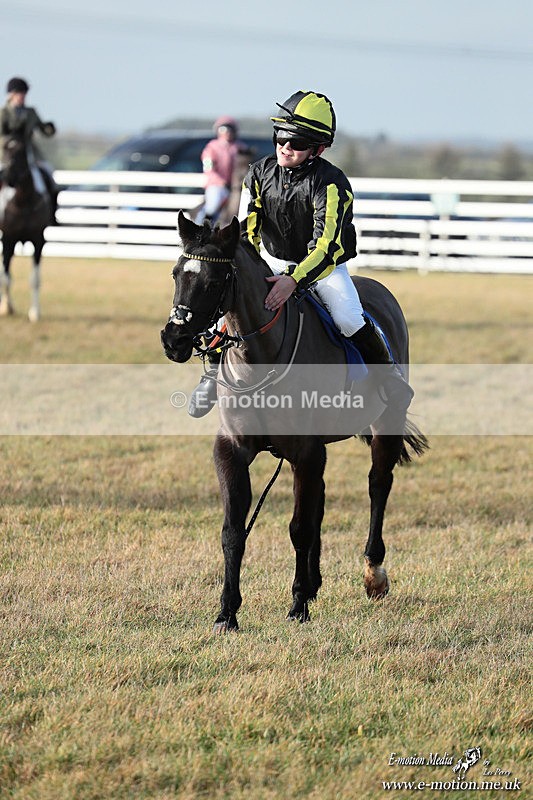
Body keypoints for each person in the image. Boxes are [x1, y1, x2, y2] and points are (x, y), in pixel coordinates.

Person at [188, 90, 413, 418]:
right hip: (272, 261)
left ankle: (389, 376)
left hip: (323, 269)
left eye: (297, 142)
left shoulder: (333, 184)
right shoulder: (259, 174)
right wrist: (254, 270)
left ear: (318, 149)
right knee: (227, 311)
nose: (285, 147)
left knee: (349, 316)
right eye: (281, 137)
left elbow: (326, 245)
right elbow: (247, 229)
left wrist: (293, 280)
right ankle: (212, 377)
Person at [0, 76, 59, 221]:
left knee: (49, 177)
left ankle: (52, 215)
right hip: (7, 156)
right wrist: (12, 142)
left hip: (29, 155)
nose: (22, 97)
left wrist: (49, 128)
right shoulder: (3, 113)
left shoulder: (31, 112)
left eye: (24, 94)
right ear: (11, 94)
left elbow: (43, 129)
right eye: (19, 93)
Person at [195, 116, 249, 225]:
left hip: (235, 186)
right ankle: (199, 225)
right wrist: (221, 182)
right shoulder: (211, 147)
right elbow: (208, 169)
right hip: (217, 185)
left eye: (230, 129)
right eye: (223, 129)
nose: (227, 132)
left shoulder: (240, 147)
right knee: (213, 205)